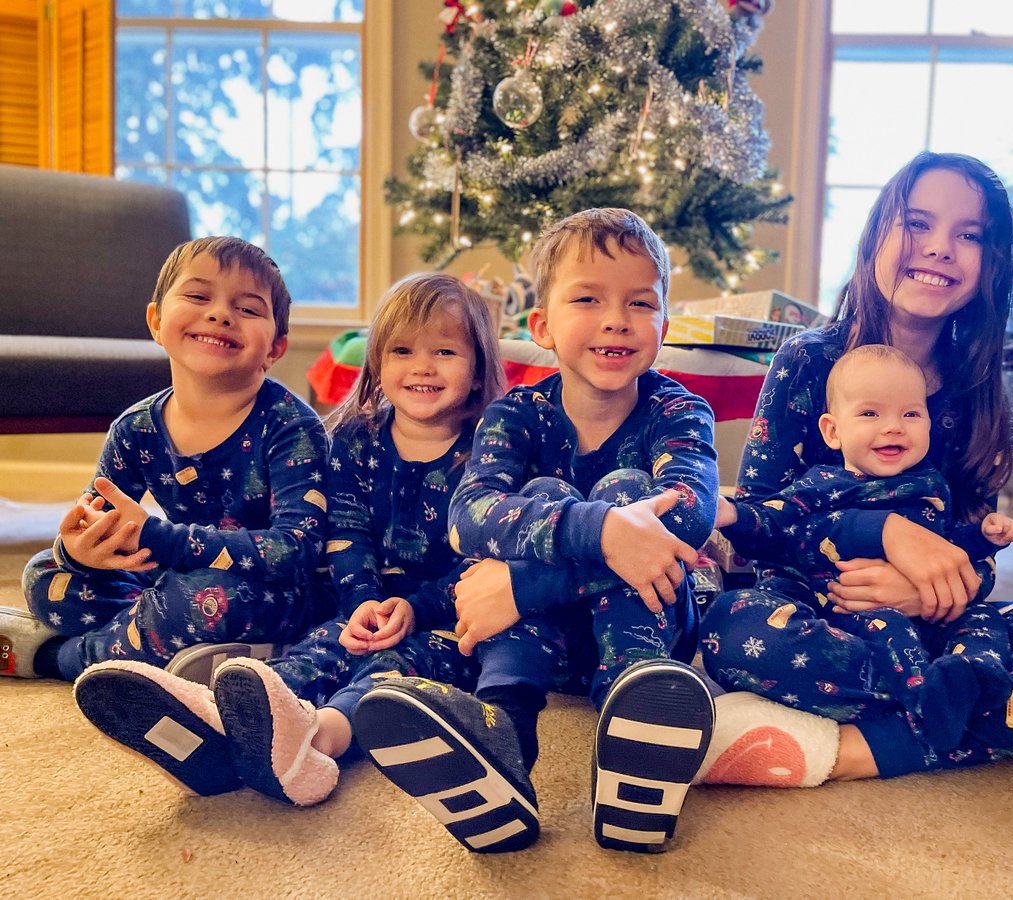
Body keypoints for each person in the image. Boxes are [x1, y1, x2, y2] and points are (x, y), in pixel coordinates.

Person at [697, 151, 1013, 808]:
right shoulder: (809, 360)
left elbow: (976, 562)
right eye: (918, 223)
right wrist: (883, 532)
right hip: (823, 618)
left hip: (947, 633)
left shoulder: (975, 385)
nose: (940, 248)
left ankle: (864, 748)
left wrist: (933, 583)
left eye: (971, 236)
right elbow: (761, 526)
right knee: (729, 629)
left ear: (992, 265)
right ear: (876, 234)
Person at [351, 208, 721, 854]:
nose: (616, 319)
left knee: (630, 496)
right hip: (543, 654)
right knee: (550, 499)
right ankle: (503, 741)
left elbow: (687, 514)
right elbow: (468, 519)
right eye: (588, 298)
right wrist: (597, 535)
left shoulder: (678, 411)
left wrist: (522, 589)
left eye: (640, 302)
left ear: (663, 322)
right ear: (542, 326)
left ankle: (633, 737)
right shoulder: (515, 414)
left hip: (649, 637)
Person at [70, 273, 507, 812]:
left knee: (395, 669)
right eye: (401, 350)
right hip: (362, 602)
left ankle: (320, 743)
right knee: (318, 650)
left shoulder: (490, 447)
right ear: (376, 361)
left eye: (445, 351)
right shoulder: (355, 438)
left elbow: (490, 557)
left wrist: (415, 608)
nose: (422, 366)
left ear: (479, 365)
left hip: (453, 618)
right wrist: (361, 601)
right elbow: (346, 533)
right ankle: (224, 726)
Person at [2, 236, 328, 683]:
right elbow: (97, 523)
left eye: (249, 309)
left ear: (274, 348)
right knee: (45, 575)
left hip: (274, 592)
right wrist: (81, 552)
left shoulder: (292, 426)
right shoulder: (135, 428)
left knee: (204, 598)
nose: (220, 314)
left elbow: (297, 550)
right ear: (156, 321)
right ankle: (158, 636)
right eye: (197, 296)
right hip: (172, 576)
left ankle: (59, 657)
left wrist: (160, 539)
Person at [715, 343, 1013, 752]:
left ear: (930, 423)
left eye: (911, 414)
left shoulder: (930, 486)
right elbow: (773, 521)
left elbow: (948, 547)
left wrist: (983, 536)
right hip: (842, 618)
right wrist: (730, 515)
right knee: (733, 619)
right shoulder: (822, 483)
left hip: (932, 617)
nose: (894, 426)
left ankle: (969, 678)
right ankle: (932, 706)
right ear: (833, 431)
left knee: (985, 622)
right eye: (870, 413)